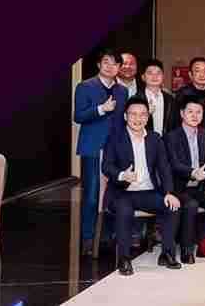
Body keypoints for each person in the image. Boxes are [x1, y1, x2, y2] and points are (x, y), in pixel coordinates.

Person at [101, 96, 181, 275]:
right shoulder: (115, 138)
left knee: (173, 206)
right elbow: (106, 166)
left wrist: (169, 192)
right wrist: (122, 175)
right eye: (133, 114)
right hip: (122, 192)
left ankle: (167, 253)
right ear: (125, 116)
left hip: (148, 192)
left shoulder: (155, 138)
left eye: (143, 114)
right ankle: (124, 258)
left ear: (147, 117)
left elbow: (164, 167)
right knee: (124, 210)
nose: (138, 119)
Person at [74, 48, 129, 256]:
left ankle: (107, 236)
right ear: (99, 64)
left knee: (114, 193)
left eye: (115, 64)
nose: (110, 67)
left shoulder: (122, 91)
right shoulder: (85, 86)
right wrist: (101, 109)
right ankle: (88, 239)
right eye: (106, 62)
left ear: (119, 68)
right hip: (93, 147)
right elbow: (78, 116)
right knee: (91, 195)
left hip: (114, 148)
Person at [164, 99, 205, 263]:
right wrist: (192, 172)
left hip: (201, 187)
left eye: (198, 112)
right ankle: (186, 249)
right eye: (190, 111)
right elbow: (174, 164)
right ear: (182, 114)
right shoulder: (171, 137)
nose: (194, 115)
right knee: (190, 205)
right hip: (179, 187)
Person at [174, 57, 205, 137]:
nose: (202, 75)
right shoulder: (183, 93)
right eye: (197, 71)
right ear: (190, 75)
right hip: (187, 137)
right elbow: (176, 120)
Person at [137, 58, 175, 136]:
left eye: (158, 73)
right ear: (143, 77)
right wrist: (145, 114)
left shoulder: (170, 99)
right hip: (144, 140)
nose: (155, 76)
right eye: (150, 73)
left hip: (165, 141)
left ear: (163, 76)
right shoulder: (136, 99)